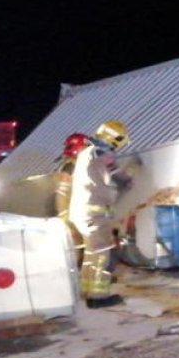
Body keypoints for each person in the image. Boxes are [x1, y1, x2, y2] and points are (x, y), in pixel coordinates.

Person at [68, 121, 133, 308]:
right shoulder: (101, 153)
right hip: (94, 214)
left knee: (92, 253)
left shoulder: (86, 153)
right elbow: (115, 174)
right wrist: (128, 178)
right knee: (102, 254)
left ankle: (86, 290)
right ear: (115, 138)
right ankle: (98, 296)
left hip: (82, 213)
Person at [54, 132, 91, 263]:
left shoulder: (71, 164)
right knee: (80, 247)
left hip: (74, 213)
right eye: (85, 147)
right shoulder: (70, 167)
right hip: (72, 215)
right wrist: (65, 217)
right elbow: (62, 195)